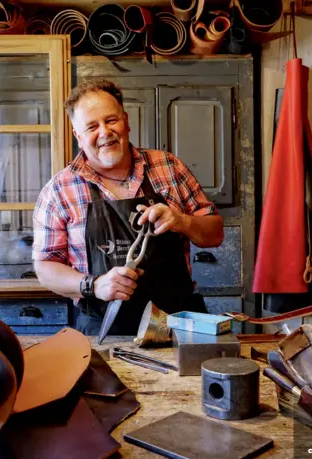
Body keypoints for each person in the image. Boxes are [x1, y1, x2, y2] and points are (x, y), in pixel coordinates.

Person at [32, 79, 224, 336]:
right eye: (91, 126)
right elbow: (45, 267)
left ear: (126, 120)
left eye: (111, 120)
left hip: (178, 325)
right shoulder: (59, 190)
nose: (104, 132)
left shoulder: (169, 167)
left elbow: (215, 234)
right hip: (103, 327)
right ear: (78, 136)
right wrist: (94, 285)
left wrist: (182, 221)